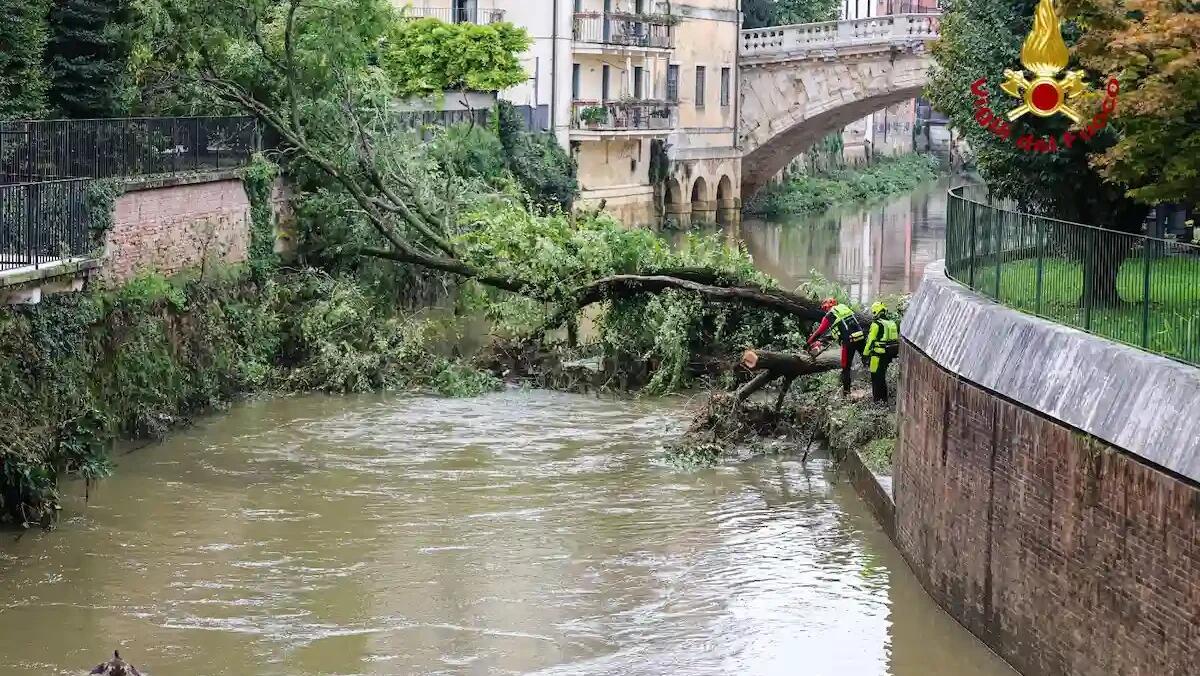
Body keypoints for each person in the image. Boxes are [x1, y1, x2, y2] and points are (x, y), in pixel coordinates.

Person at [807, 298, 867, 396]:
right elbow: (844, 325)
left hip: (849, 341)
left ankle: (846, 393)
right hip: (860, 336)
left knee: (845, 368)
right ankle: (869, 381)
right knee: (867, 360)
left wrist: (809, 342)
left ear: (827, 306)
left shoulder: (829, 316)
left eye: (824, 308)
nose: (825, 311)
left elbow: (819, 332)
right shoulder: (844, 307)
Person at [863, 301, 901, 402]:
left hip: (878, 354)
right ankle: (884, 399)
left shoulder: (876, 324)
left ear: (876, 312)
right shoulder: (892, 323)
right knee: (882, 376)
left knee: (875, 377)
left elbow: (870, 341)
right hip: (889, 354)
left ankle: (877, 400)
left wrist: (865, 355)